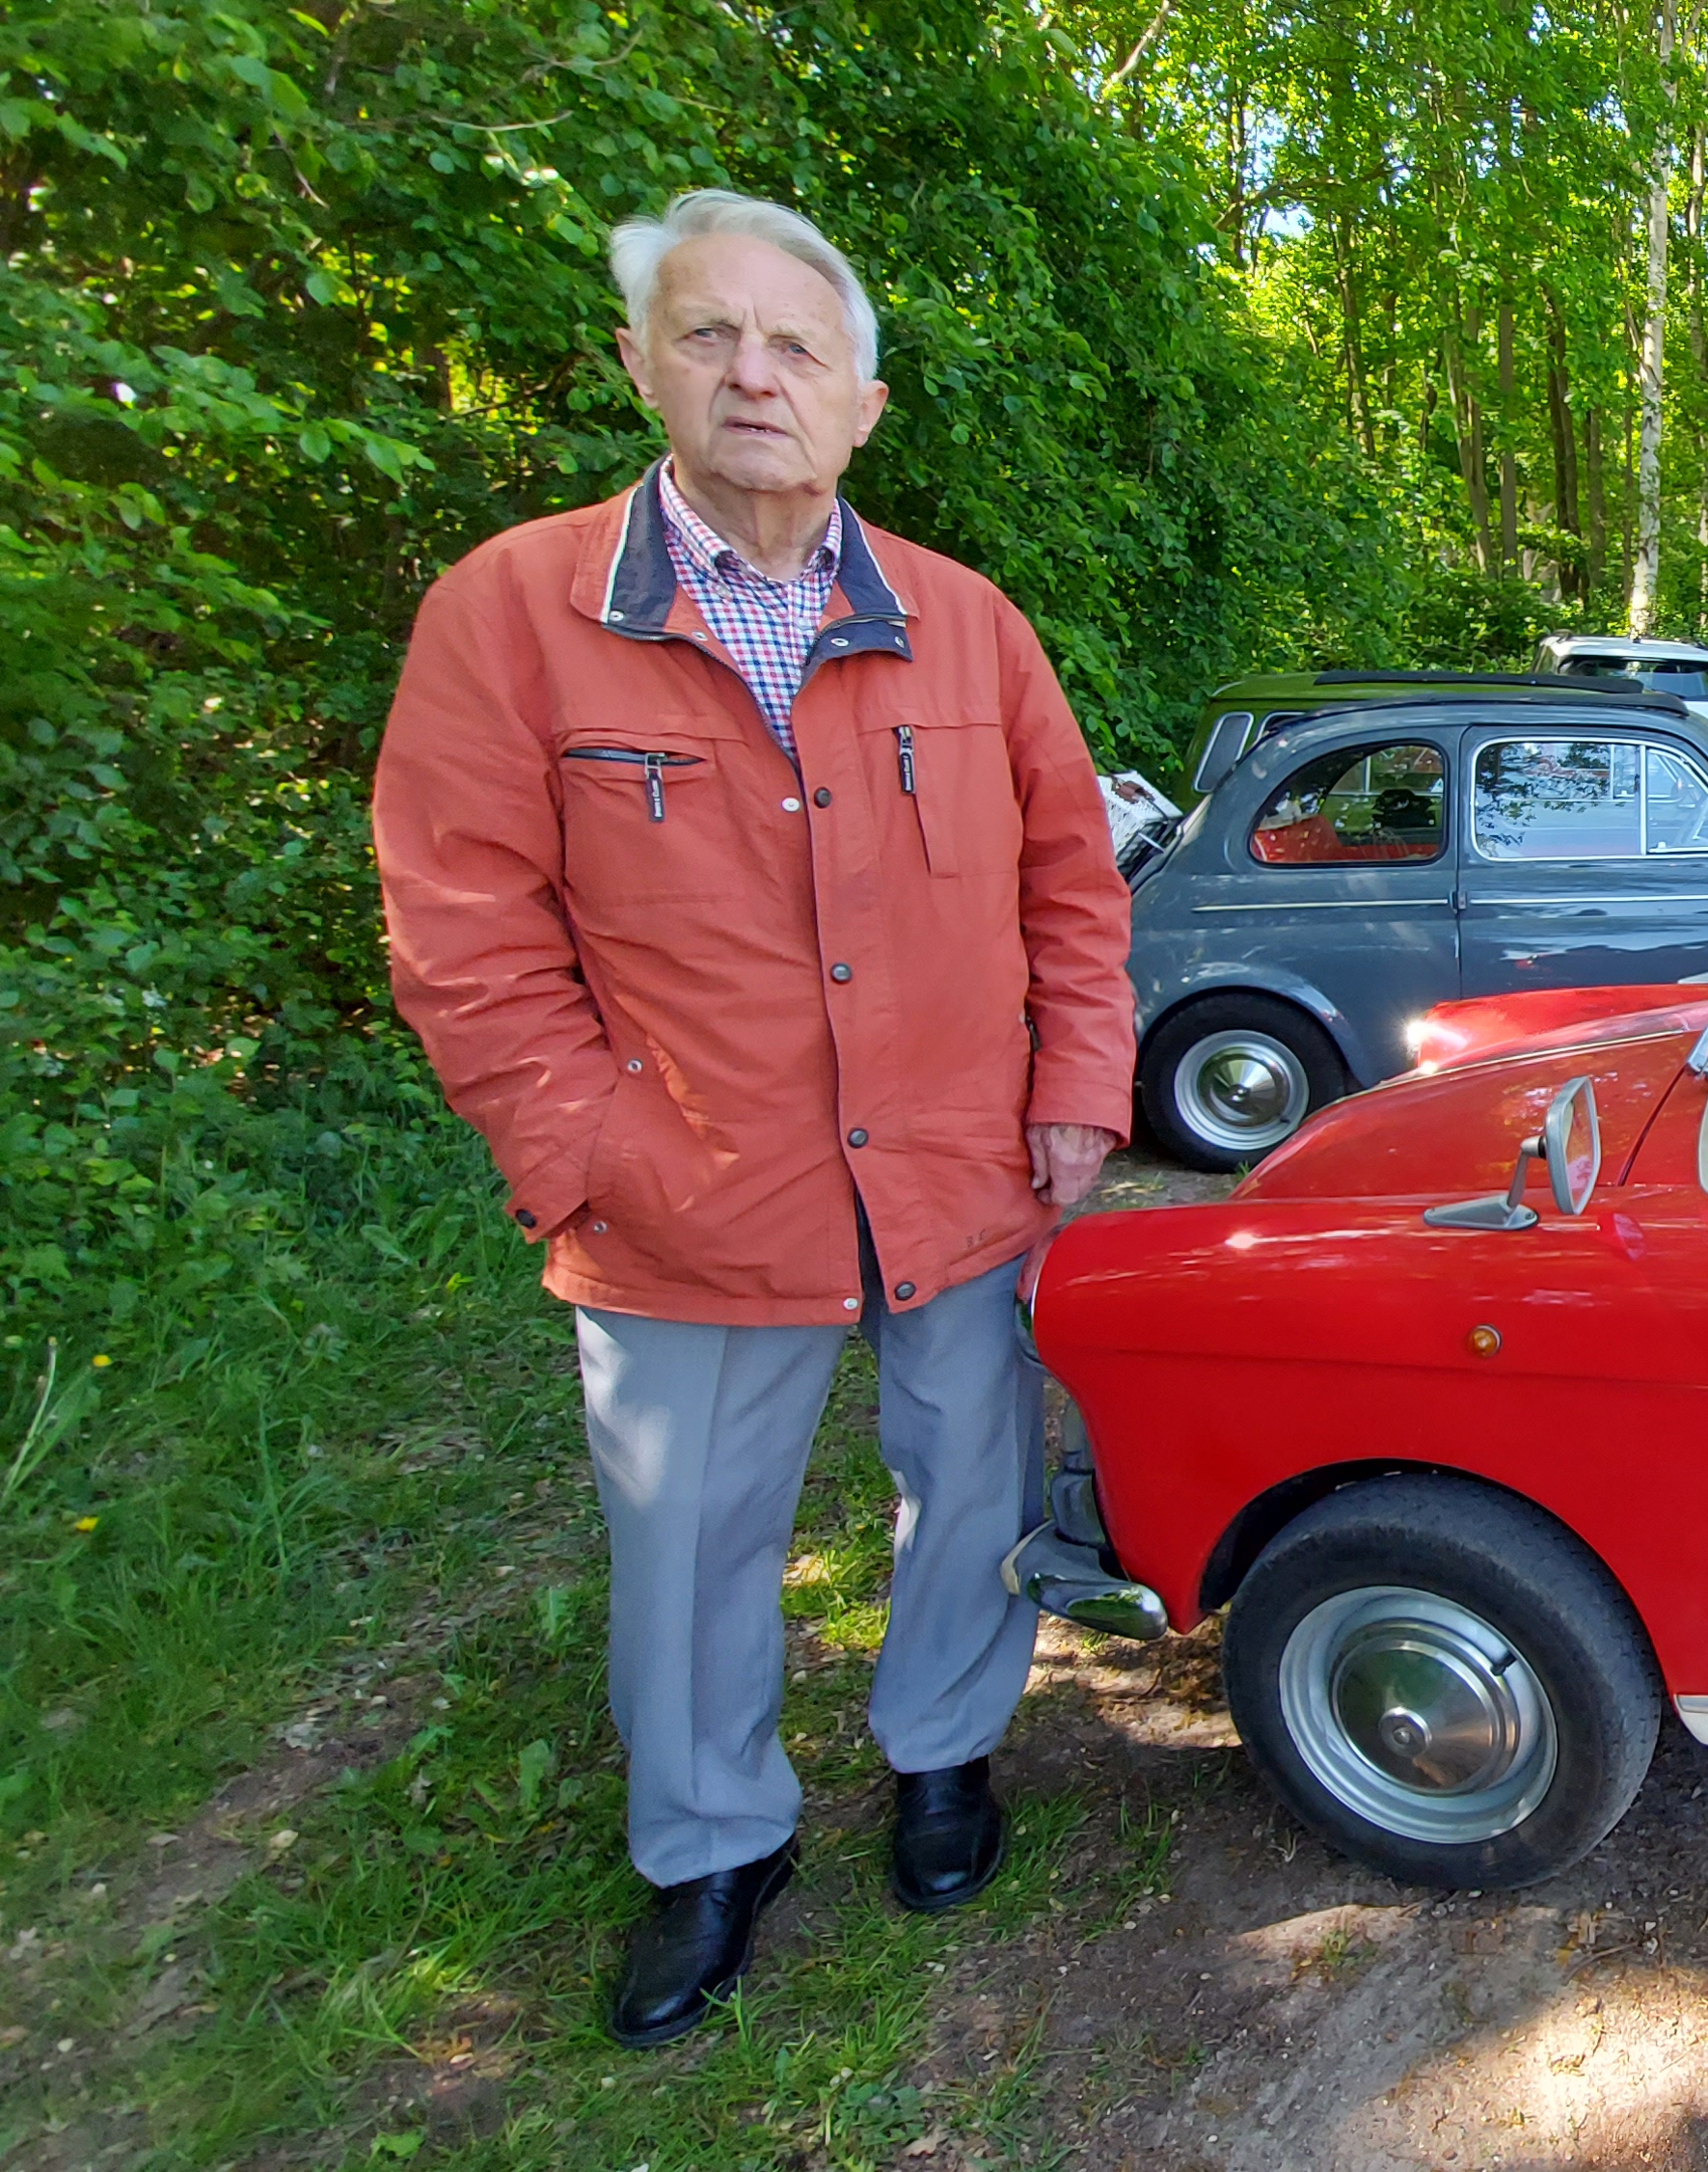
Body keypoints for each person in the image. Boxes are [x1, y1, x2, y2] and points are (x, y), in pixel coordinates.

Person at [371, 190, 1135, 2047]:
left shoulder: (967, 626)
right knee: (689, 1540)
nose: (753, 375)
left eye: (797, 345)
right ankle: (713, 1840)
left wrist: (1079, 1088)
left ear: (864, 404)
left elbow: (1072, 883)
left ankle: (946, 1755)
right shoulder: (513, 615)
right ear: (641, 367)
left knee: (970, 1482)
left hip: (961, 1166)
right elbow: (463, 933)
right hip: (685, 1196)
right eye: (709, 336)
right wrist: (588, 1155)